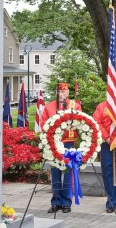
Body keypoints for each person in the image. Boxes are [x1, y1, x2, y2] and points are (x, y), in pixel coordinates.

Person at [41, 82, 82, 214]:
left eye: (64, 92)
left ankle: (66, 202)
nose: (61, 94)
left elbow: (80, 122)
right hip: (54, 144)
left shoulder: (75, 105)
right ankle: (56, 202)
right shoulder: (49, 107)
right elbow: (43, 124)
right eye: (59, 92)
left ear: (68, 92)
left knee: (68, 173)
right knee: (55, 173)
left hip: (69, 143)